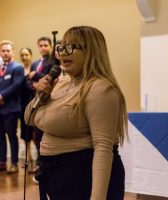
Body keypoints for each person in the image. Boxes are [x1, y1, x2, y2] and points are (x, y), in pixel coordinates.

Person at [25, 26, 127, 200]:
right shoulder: (61, 83)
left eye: (72, 46)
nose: (64, 53)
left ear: (91, 51)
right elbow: (29, 118)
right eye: (62, 47)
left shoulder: (100, 88)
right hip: (58, 176)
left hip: (83, 177)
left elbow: (103, 148)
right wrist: (40, 95)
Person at [0, 40, 24, 174]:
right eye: (3, 51)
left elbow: (17, 85)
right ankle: (1, 162)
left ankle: (13, 163)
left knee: (12, 136)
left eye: (8, 50)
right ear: (0, 52)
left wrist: (1, 96)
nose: (5, 53)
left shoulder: (17, 68)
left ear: (12, 52)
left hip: (11, 108)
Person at [28, 36, 53, 174]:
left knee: (44, 134)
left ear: (50, 46)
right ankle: (38, 162)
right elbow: (28, 80)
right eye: (41, 45)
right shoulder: (35, 63)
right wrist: (35, 85)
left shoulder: (52, 62)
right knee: (36, 135)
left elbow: (50, 77)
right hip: (35, 101)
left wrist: (36, 75)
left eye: (45, 45)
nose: (43, 48)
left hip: (46, 101)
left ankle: (45, 162)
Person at [19, 48, 35, 171]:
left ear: (31, 55)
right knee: (25, 132)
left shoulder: (35, 68)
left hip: (34, 102)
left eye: (26, 54)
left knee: (35, 131)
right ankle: (27, 157)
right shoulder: (18, 70)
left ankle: (37, 158)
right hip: (22, 103)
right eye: (22, 55)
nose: (24, 57)